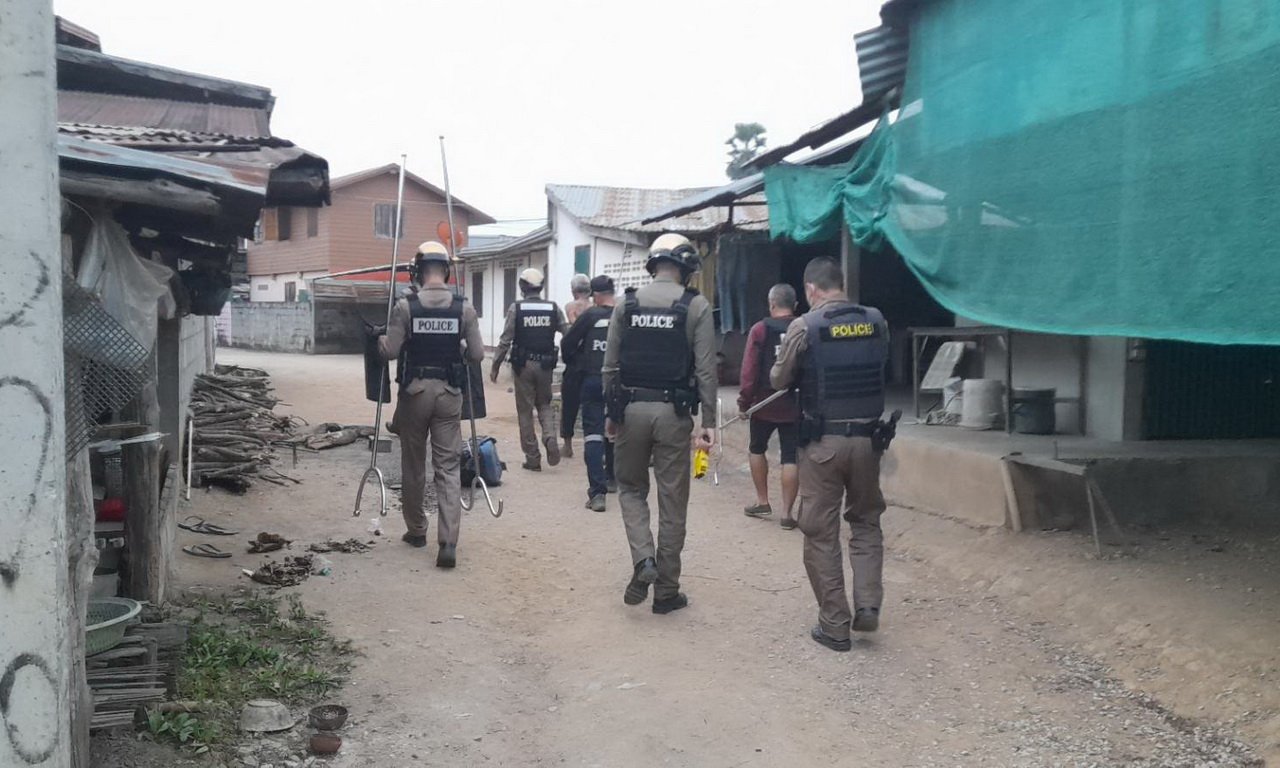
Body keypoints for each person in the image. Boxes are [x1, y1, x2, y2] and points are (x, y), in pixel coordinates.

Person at [771, 256, 890, 652]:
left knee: (820, 532)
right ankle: (868, 604)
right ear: (841, 284)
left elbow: (779, 378)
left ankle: (835, 625)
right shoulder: (876, 320)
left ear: (811, 289)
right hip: (869, 441)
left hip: (823, 443)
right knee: (866, 522)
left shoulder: (805, 326)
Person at [603, 233, 717, 614]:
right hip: (674, 414)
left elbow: (610, 367)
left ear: (653, 264)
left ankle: (643, 558)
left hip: (631, 409)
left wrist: (611, 413)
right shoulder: (696, 306)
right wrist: (708, 422)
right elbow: (706, 370)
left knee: (630, 489)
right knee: (673, 501)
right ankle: (666, 592)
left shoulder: (627, 304)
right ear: (686, 268)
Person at [377, 241, 484, 569]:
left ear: (419, 272)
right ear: (446, 272)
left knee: (413, 464)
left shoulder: (405, 306)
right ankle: (448, 541)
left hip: (415, 394)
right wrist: (459, 349)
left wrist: (379, 340)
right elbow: (477, 355)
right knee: (448, 467)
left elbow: (390, 351)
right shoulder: (464, 308)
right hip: (449, 394)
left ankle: (416, 530)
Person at [490, 267, 567, 471]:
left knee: (525, 411)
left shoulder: (516, 308)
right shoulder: (553, 308)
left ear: (522, 287)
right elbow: (567, 332)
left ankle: (533, 458)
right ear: (541, 287)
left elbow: (505, 340)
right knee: (544, 404)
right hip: (546, 366)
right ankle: (550, 436)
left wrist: (495, 366)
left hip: (523, 367)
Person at [738, 283, 800, 529]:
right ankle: (787, 514)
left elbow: (749, 370)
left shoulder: (760, 329)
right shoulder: (804, 328)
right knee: (791, 457)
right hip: (795, 404)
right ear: (795, 305)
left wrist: (744, 402)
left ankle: (762, 501)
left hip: (763, 404)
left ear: (771, 304)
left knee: (756, 449)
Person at [560, 275, 618, 512]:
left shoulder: (590, 316)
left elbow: (567, 344)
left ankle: (597, 493)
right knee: (614, 429)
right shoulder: (625, 315)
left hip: (593, 379)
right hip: (620, 383)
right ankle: (612, 477)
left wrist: (578, 362)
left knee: (593, 435)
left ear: (596, 295)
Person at [560, 274, 593, 459]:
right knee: (593, 406)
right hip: (592, 359)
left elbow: (574, 328)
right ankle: (593, 443)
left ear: (573, 291)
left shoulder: (571, 307)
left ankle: (568, 445)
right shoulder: (595, 308)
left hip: (574, 359)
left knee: (569, 405)